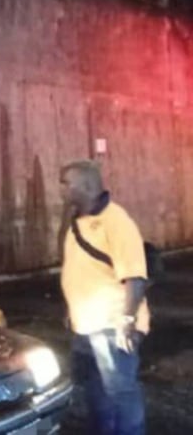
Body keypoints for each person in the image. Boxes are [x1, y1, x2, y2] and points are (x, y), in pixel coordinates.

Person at [60, 159, 148, 435]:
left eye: (66, 184)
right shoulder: (79, 222)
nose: (62, 190)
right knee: (96, 392)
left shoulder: (117, 221)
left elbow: (134, 276)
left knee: (120, 392)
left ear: (86, 186)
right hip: (85, 325)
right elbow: (79, 270)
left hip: (112, 325)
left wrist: (127, 320)